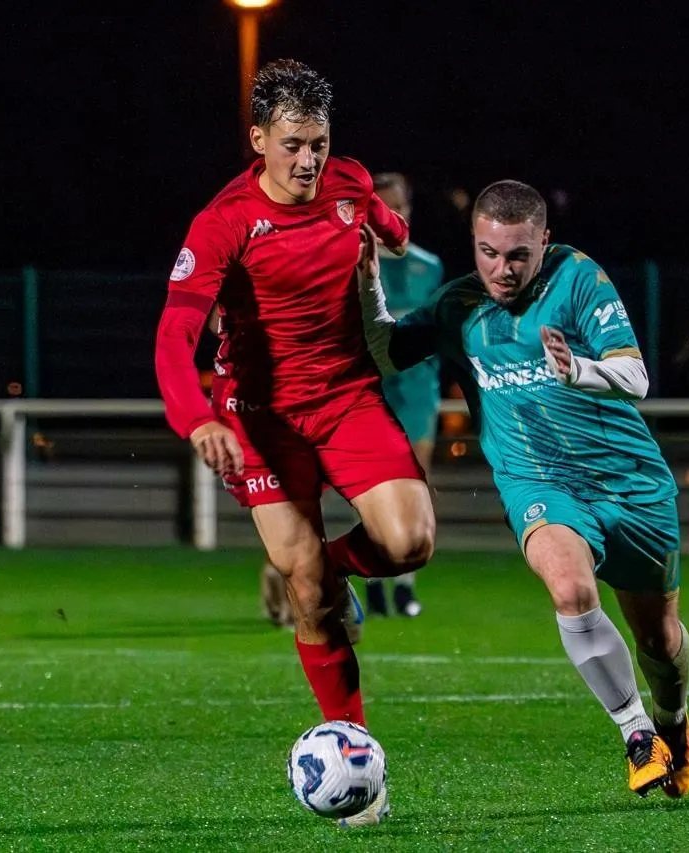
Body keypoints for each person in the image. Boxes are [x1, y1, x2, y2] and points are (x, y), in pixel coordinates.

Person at [154, 59, 436, 827]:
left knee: (409, 542)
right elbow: (173, 337)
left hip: (346, 397)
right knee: (307, 588)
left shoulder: (350, 182)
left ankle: (321, 568)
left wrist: (389, 235)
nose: (308, 160)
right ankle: (356, 757)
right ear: (258, 140)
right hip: (260, 416)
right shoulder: (223, 222)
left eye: (318, 143)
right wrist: (198, 419)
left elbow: (391, 229)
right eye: (292, 145)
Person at [358, 180, 689, 799]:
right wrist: (367, 282)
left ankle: (672, 719)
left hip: (630, 483)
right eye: (488, 252)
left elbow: (635, 375)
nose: (502, 269)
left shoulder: (578, 277)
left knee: (660, 639)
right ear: (474, 242)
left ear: (545, 241)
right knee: (569, 588)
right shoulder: (458, 305)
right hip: (539, 483)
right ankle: (636, 734)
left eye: (518, 255)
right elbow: (384, 353)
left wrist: (578, 369)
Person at [362, 172, 444, 619]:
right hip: (371, 387)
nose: (390, 216)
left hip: (415, 387)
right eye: (382, 208)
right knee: (374, 484)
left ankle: (406, 584)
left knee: (416, 481)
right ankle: (375, 578)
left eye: (398, 207)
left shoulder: (429, 266)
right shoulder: (354, 262)